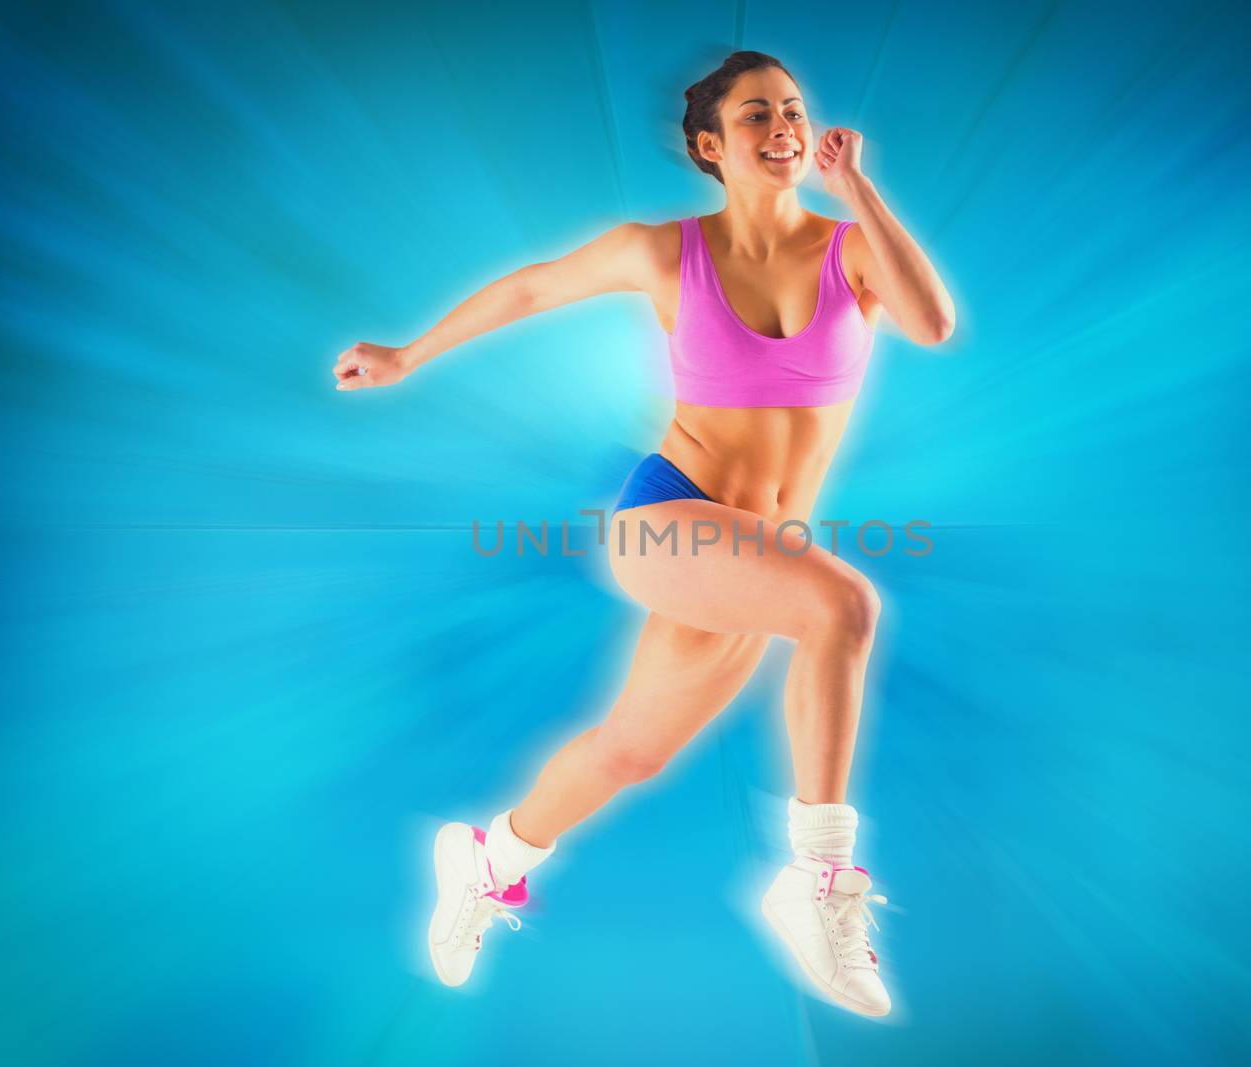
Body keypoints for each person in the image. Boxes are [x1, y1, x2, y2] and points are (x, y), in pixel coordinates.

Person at [333, 50, 954, 1018]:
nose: (784, 126)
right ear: (711, 145)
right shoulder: (664, 251)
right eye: (756, 115)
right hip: (666, 516)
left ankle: (487, 858)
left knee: (631, 752)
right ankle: (818, 879)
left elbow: (930, 321)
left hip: (755, 553)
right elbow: (532, 290)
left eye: (792, 109)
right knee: (842, 607)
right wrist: (406, 355)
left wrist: (859, 187)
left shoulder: (850, 249)